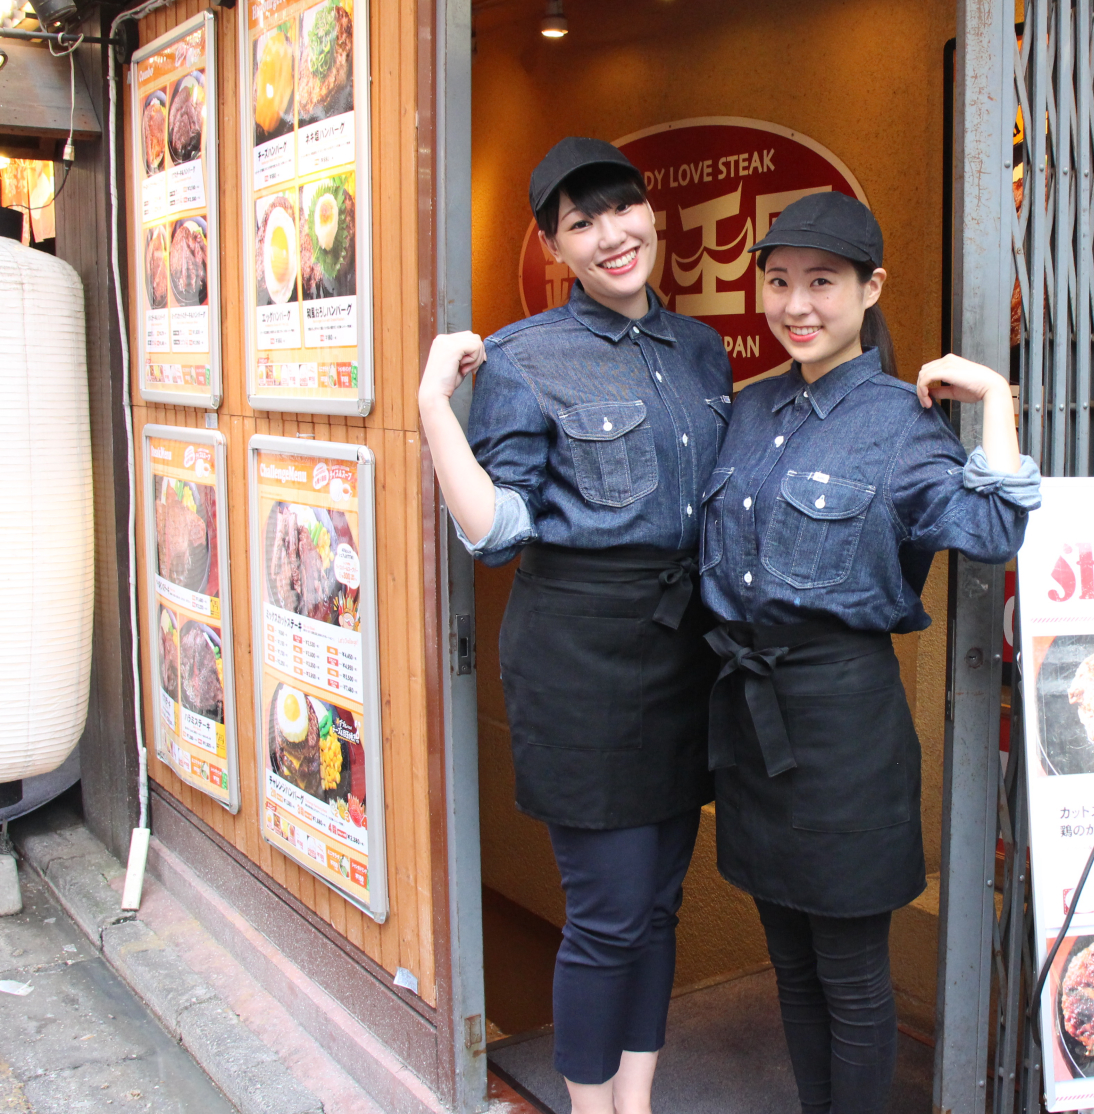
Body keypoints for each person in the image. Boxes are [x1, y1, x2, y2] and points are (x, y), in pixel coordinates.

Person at [698, 192, 1040, 1113]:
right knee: (791, 967)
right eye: (778, 282)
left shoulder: (897, 422)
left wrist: (996, 398)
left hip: (845, 727)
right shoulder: (750, 406)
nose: (796, 304)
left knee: (849, 978)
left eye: (822, 282)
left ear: (869, 288)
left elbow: (995, 525)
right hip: (749, 717)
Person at [417, 138, 731, 1114]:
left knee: (660, 902)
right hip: (581, 662)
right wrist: (434, 403)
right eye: (579, 222)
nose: (609, 235)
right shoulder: (521, 358)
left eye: (620, 209)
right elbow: (496, 532)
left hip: (686, 652)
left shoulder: (699, 349)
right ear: (555, 247)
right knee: (606, 916)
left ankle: (633, 1102)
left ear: (653, 215)